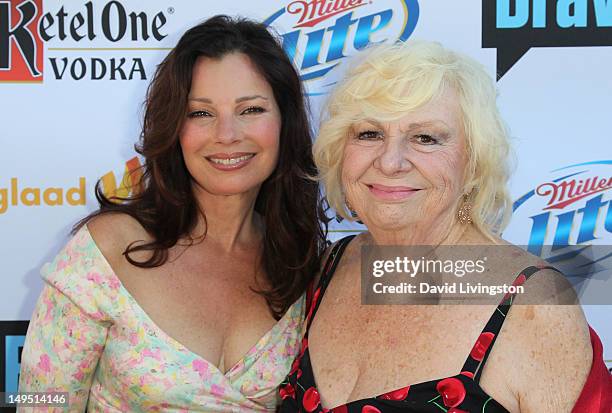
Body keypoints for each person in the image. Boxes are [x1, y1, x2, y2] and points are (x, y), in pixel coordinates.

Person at [279, 41, 611, 412]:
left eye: (425, 138)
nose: (390, 162)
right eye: (369, 134)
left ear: (473, 164)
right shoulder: (330, 267)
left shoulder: (536, 308)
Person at [18, 15, 327, 412]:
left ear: (285, 121)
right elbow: (38, 402)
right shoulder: (107, 249)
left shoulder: (304, 265)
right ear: (174, 127)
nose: (227, 133)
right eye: (200, 113)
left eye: (251, 109)